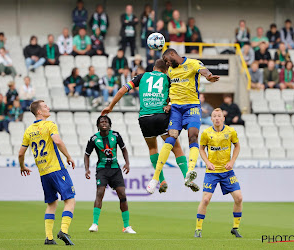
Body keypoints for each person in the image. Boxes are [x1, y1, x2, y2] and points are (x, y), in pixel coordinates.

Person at [102, 59, 198, 193]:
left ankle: (162, 180)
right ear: (165, 70)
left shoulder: (141, 76)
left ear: (153, 68)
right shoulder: (166, 77)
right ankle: (187, 177)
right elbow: (177, 94)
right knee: (175, 148)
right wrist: (170, 105)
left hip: (144, 118)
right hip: (161, 115)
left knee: (153, 148)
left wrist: (110, 106)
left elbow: (122, 90)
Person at [146, 48, 220, 194]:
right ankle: (155, 178)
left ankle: (190, 172)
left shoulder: (193, 63)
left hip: (192, 107)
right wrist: (167, 103)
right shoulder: (171, 71)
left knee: (193, 136)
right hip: (175, 110)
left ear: (172, 54)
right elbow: (169, 89)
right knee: (171, 138)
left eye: (167, 60)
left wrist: (209, 76)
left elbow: (203, 70)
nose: (167, 64)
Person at [18, 100, 76, 245]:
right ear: (39, 112)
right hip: (56, 168)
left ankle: (49, 238)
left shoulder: (29, 131)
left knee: (51, 203)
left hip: (43, 173)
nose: (48, 108)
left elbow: (20, 153)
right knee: (70, 200)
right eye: (45, 106)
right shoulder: (49, 125)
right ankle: (64, 230)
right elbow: (57, 141)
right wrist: (68, 156)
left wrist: (22, 166)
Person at [194, 108, 242, 238]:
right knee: (205, 200)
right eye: (214, 116)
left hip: (227, 172)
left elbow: (237, 146)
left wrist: (232, 161)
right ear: (211, 119)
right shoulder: (206, 133)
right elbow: (201, 149)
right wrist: (207, 162)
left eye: (219, 116)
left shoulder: (231, 131)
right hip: (212, 172)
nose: (216, 118)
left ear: (223, 118)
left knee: (239, 198)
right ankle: (198, 229)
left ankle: (235, 228)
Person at [84, 115, 136, 234]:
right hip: (102, 169)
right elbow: (87, 154)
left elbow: (124, 149)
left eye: (106, 121)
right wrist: (87, 169)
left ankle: (126, 226)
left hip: (115, 169)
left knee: (122, 195)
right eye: (101, 122)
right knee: (100, 193)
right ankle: (95, 224)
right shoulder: (93, 139)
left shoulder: (116, 135)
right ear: (98, 125)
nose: (104, 123)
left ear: (109, 124)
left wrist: (127, 163)